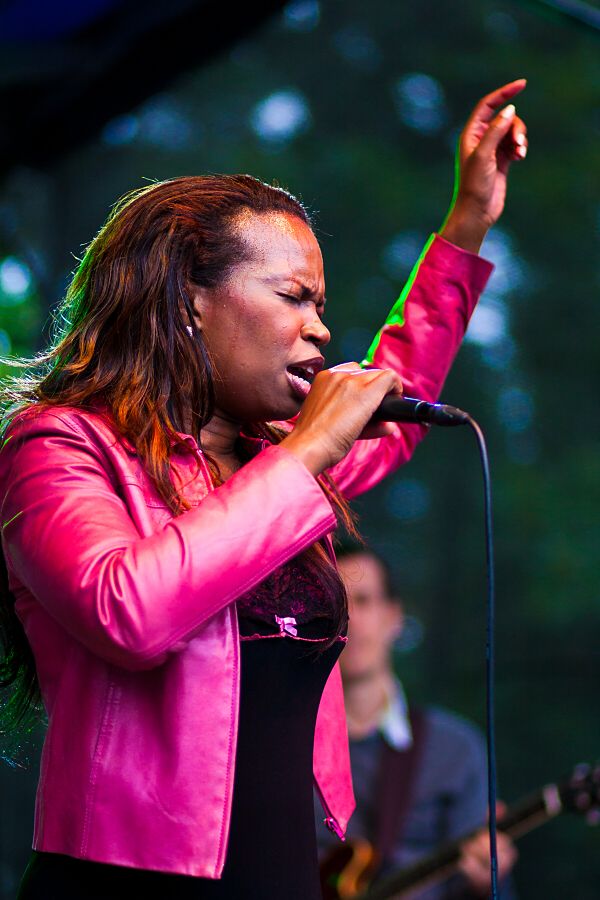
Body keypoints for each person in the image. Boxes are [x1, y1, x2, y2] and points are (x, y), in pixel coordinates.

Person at [0, 81, 527, 900]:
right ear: (187, 301)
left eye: (321, 304)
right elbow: (126, 610)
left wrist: (468, 222)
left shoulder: (274, 459)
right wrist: (309, 448)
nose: (320, 327)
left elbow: (394, 401)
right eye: (293, 297)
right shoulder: (61, 444)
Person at [316, 546, 518, 899]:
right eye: (335, 605)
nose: (350, 619)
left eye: (363, 601)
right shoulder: (285, 748)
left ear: (394, 617)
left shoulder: (456, 750)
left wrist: (487, 881)